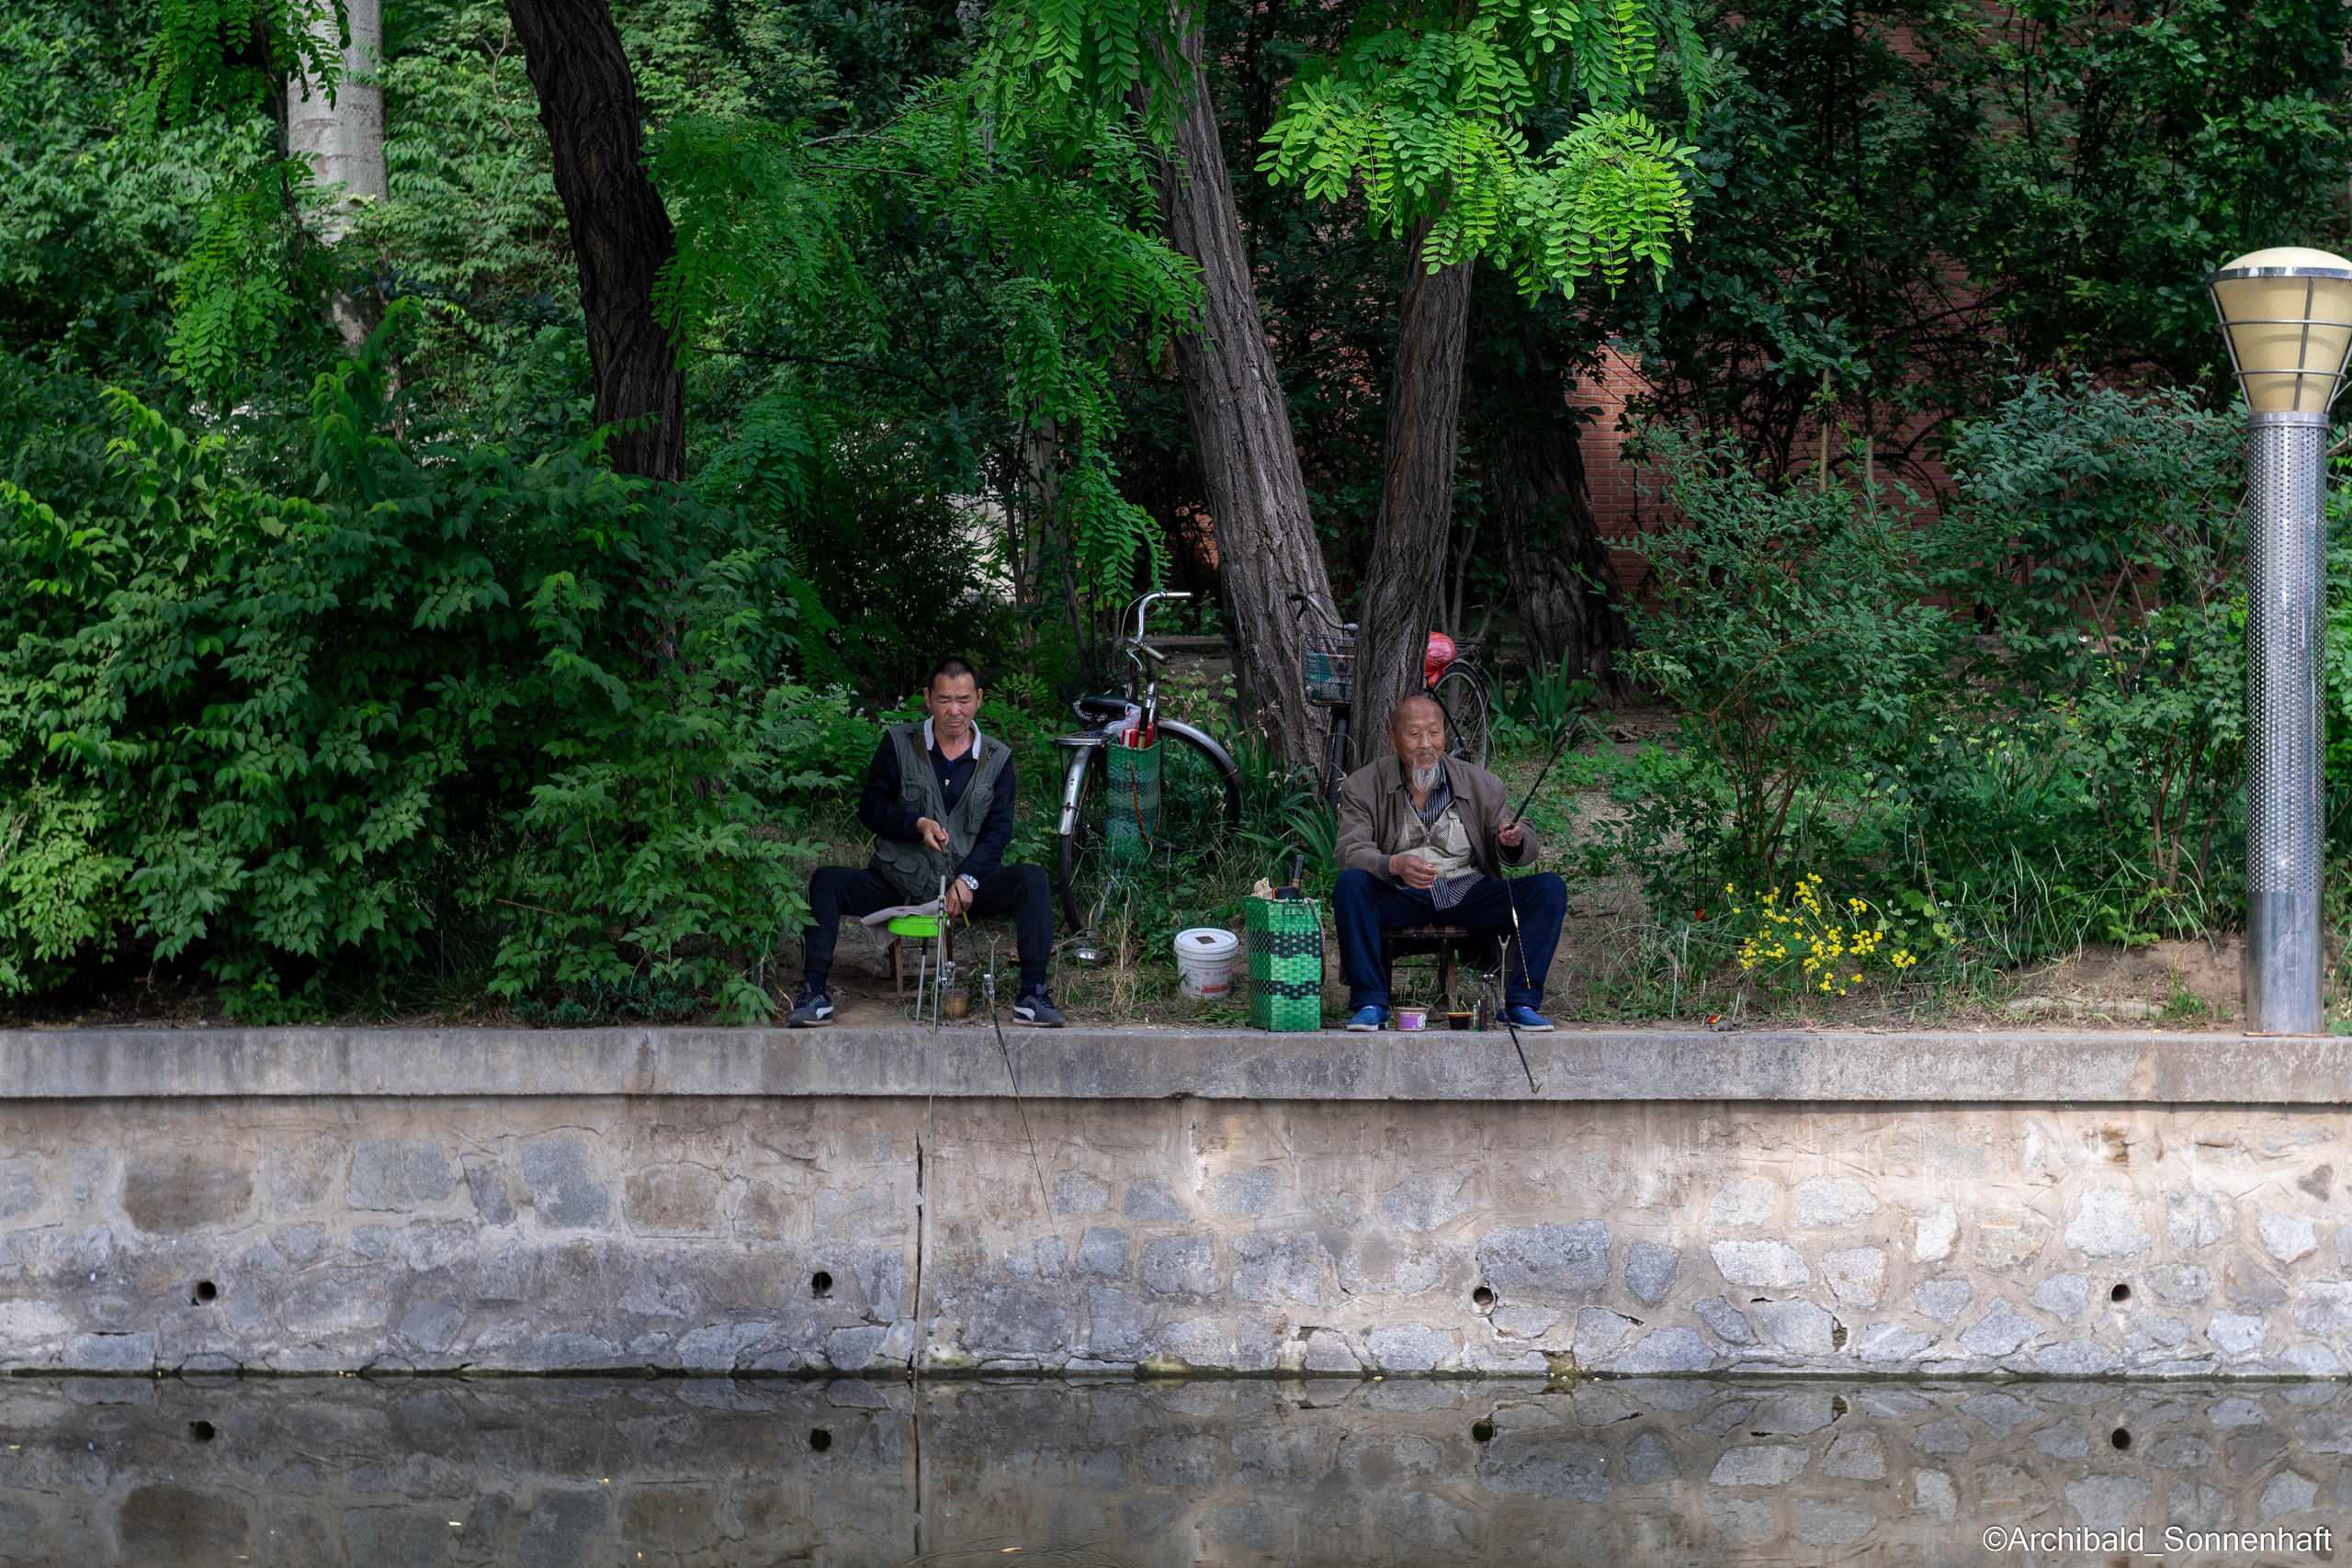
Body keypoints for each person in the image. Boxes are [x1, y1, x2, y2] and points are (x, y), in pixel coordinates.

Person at [787, 657, 1064, 1027]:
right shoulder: (898, 743)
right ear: (928, 698)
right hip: (898, 882)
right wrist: (916, 824)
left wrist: (968, 880)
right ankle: (814, 991)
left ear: (979, 699)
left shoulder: (998, 759)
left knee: (1032, 879)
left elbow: (998, 834)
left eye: (963, 700)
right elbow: (871, 807)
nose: (954, 711)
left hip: (963, 890)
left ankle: (1032, 993)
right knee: (827, 881)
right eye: (945, 700)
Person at [1331, 694, 1567, 1032]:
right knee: (1351, 885)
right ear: (1393, 739)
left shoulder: (1482, 784)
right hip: (1402, 896)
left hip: (1467, 896)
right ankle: (1370, 1003)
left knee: (1549, 888)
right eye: (1414, 734)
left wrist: (1512, 840)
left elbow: (1519, 841)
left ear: (1445, 735)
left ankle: (1521, 1004)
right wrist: (1394, 864)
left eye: (1434, 733)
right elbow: (1350, 851)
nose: (1426, 744)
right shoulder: (1364, 785)